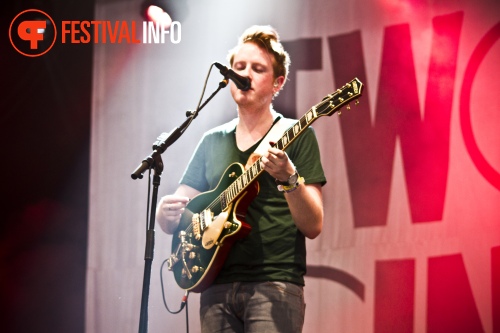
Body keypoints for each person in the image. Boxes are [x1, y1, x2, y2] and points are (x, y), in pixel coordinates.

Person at [156, 25, 326, 333]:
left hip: (274, 284)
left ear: (278, 82)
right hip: (214, 285)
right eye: (239, 67)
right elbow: (181, 214)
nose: (245, 74)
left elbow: (313, 225)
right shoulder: (212, 141)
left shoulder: (296, 135)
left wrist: (289, 178)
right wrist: (164, 214)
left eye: (257, 69)